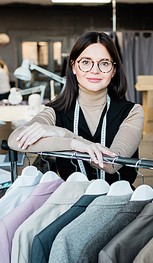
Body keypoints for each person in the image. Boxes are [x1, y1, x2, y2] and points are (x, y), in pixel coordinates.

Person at [8, 31, 145, 185]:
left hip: (119, 202)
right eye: (86, 62)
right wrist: (73, 143)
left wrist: (62, 133)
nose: (95, 70)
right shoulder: (55, 111)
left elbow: (112, 164)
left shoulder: (132, 112)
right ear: (73, 67)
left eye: (104, 63)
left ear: (113, 71)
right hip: (71, 200)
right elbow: (15, 140)